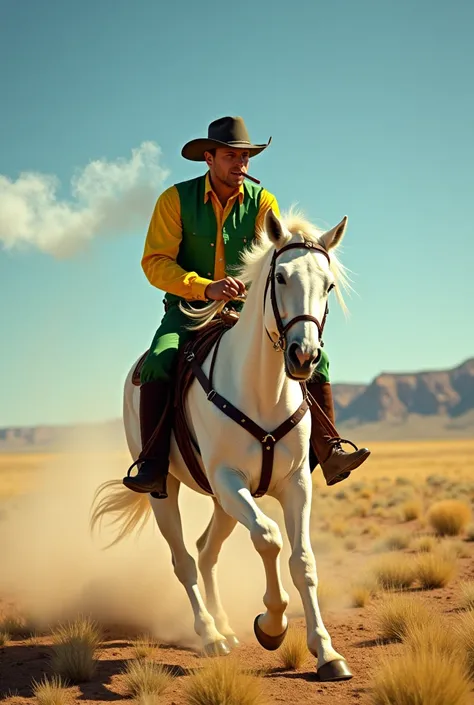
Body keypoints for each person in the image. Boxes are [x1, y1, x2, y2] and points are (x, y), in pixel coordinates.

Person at [123, 116, 370, 499]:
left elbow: (275, 261)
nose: (241, 165)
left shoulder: (262, 203)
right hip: (188, 310)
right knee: (159, 358)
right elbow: (155, 261)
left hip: (247, 309)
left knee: (316, 357)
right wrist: (205, 287)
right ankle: (154, 464)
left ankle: (329, 448)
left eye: (246, 158)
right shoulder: (174, 200)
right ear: (209, 158)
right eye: (231, 156)